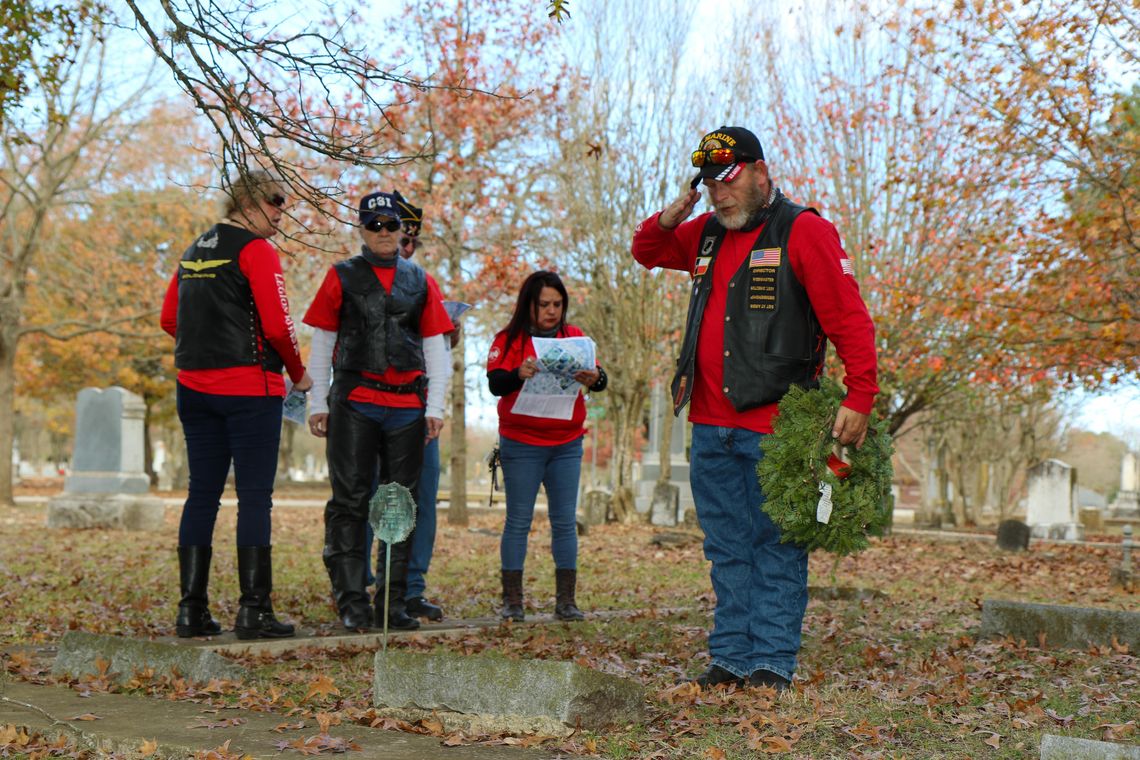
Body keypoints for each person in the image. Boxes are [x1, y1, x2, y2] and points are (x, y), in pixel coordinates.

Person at [630, 126, 878, 690]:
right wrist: (671, 217)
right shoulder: (705, 234)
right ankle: (731, 659)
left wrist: (861, 395)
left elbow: (848, 317)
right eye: (711, 187)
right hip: (710, 425)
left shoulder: (805, 231)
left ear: (760, 172)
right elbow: (646, 251)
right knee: (726, 550)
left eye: (730, 181)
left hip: (777, 425)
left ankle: (770, 664)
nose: (720, 197)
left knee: (777, 547)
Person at [161, 168, 312, 640]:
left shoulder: (192, 251)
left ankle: (191, 611)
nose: (280, 212)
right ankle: (254, 611)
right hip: (250, 388)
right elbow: (277, 326)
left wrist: (205, 355)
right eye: (275, 202)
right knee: (253, 498)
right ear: (247, 204)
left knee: (201, 494)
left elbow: (171, 319)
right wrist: (298, 372)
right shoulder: (257, 251)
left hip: (194, 386)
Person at [304, 190, 453, 632]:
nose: (385, 233)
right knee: (349, 502)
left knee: (399, 505)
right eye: (375, 225)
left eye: (391, 225)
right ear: (362, 229)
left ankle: (393, 601)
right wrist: (318, 402)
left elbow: (436, 348)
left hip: (407, 406)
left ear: (402, 229)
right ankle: (351, 599)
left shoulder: (421, 281)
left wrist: (437, 406)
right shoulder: (341, 276)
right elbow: (323, 343)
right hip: (354, 402)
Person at [486, 271, 607, 622]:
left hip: (566, 443)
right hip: (522, 443)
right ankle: (513, 601)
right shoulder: (509, 340)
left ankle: (566, 602)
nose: (552, 311)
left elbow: (600, 379)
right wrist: (517, 375)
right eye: (544, 305)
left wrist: (594, 377)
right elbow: (495, 383)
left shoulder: (575, 338)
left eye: (557, 304)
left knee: (564, 521)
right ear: (529, 305)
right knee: (518, 521)